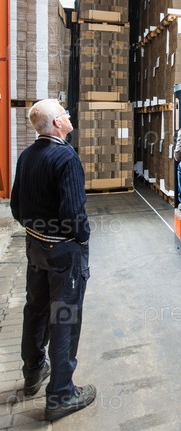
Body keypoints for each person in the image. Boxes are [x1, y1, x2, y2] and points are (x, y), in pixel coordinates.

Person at [10, 99, 96, 421]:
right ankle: (61, 395)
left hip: (35, 245)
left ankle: (33, 371)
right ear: (57, 124)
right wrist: (82, 238)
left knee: (36, 308)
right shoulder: (66, 157)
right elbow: (74, 214)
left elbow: (16, 207)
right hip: (63, 251)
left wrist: (37, 230)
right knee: (65, 317)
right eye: (64, 113)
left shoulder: (27, 155)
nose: (69, 115)